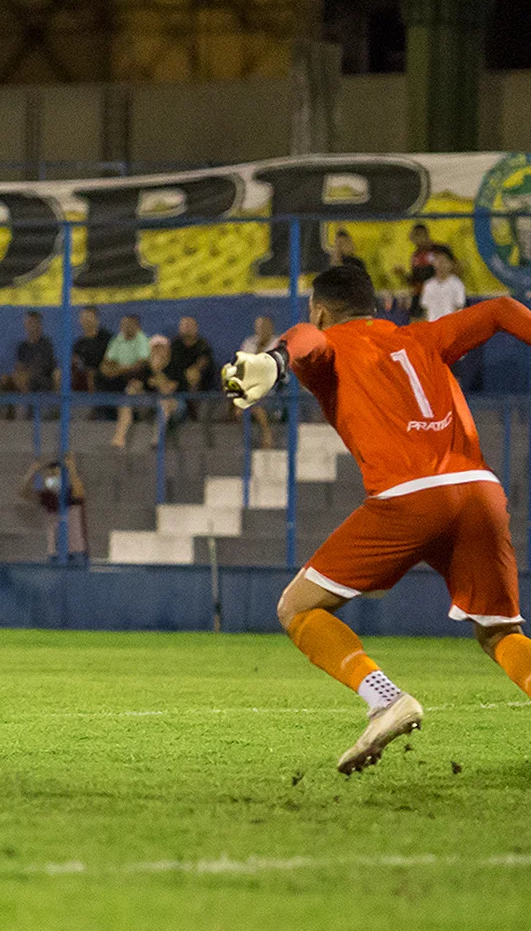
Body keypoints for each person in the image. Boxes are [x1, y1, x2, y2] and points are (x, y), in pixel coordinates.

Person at [223, 265, 531, 774]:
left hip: (408, 497)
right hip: (479, 490)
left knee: (297, 608)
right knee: (500, 633)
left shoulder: (328, 344)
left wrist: (275, 362)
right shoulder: (419, 336)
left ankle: (385, 699)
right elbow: (500, 309)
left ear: (321, 310)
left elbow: (307, 342)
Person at [111, 335, 179, 449]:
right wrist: (136, 388)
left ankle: (157, 440)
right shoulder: (144, 369)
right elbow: (136, 385)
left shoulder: (175, 367)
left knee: (165, 401)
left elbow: (168, 390)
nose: (158, 352)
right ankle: (119, 436)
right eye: (155, 348)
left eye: (161, 348)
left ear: (168, 350)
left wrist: (157, 371)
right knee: (129, 394)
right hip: (149, 403)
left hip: (174, 405)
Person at [20, 453, 88, 563]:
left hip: (75, 552)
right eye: (51, 476)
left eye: (57, 475)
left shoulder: (71, 493)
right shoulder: (47, 497)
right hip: (55, 553)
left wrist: (71, 468)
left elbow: (80, 492)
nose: (53, 479)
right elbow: (24, 493)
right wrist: (32, 472)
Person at [2, 310, 57, 417]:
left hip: (42, 378)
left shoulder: (46, 344)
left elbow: (45, 366)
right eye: (28, 323)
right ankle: (9, 411)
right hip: (23, 377)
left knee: (24, 378)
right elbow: (19, 365)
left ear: (39, 325)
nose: (30, 326)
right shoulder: (22, 346)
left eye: (33, 323)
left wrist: (27, 372)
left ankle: (31, 409)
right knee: (5, 379)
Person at [238, 315, 280, 449]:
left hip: (273, 386)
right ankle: (251, 442)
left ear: (271, 328)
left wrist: (261, 348)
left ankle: (266, 434)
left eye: (264, 327)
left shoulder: (278, 343)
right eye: (259, 327)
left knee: (255, 403)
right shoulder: (249, 342)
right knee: (240, 410)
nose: (261, 330)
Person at [99, 314, 151, 403]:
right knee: (100, 376)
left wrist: (120, 369)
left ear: (137, 326)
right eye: (123, 324)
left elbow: (141, 363)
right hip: (118, 373)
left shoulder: (142, 339)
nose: (126, 327)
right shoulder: (117, 339)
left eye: (129, 324)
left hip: (135, 374)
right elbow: (107, 361)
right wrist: (108, 369)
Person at [420, 247, 467, 322]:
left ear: (451, 264)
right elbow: (426, 309)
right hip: (433, 326)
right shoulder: (428, 285)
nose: (441, 264)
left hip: (450, 326)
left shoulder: (457, 284)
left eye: (444, 261)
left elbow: (459, 307)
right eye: (438, 260)